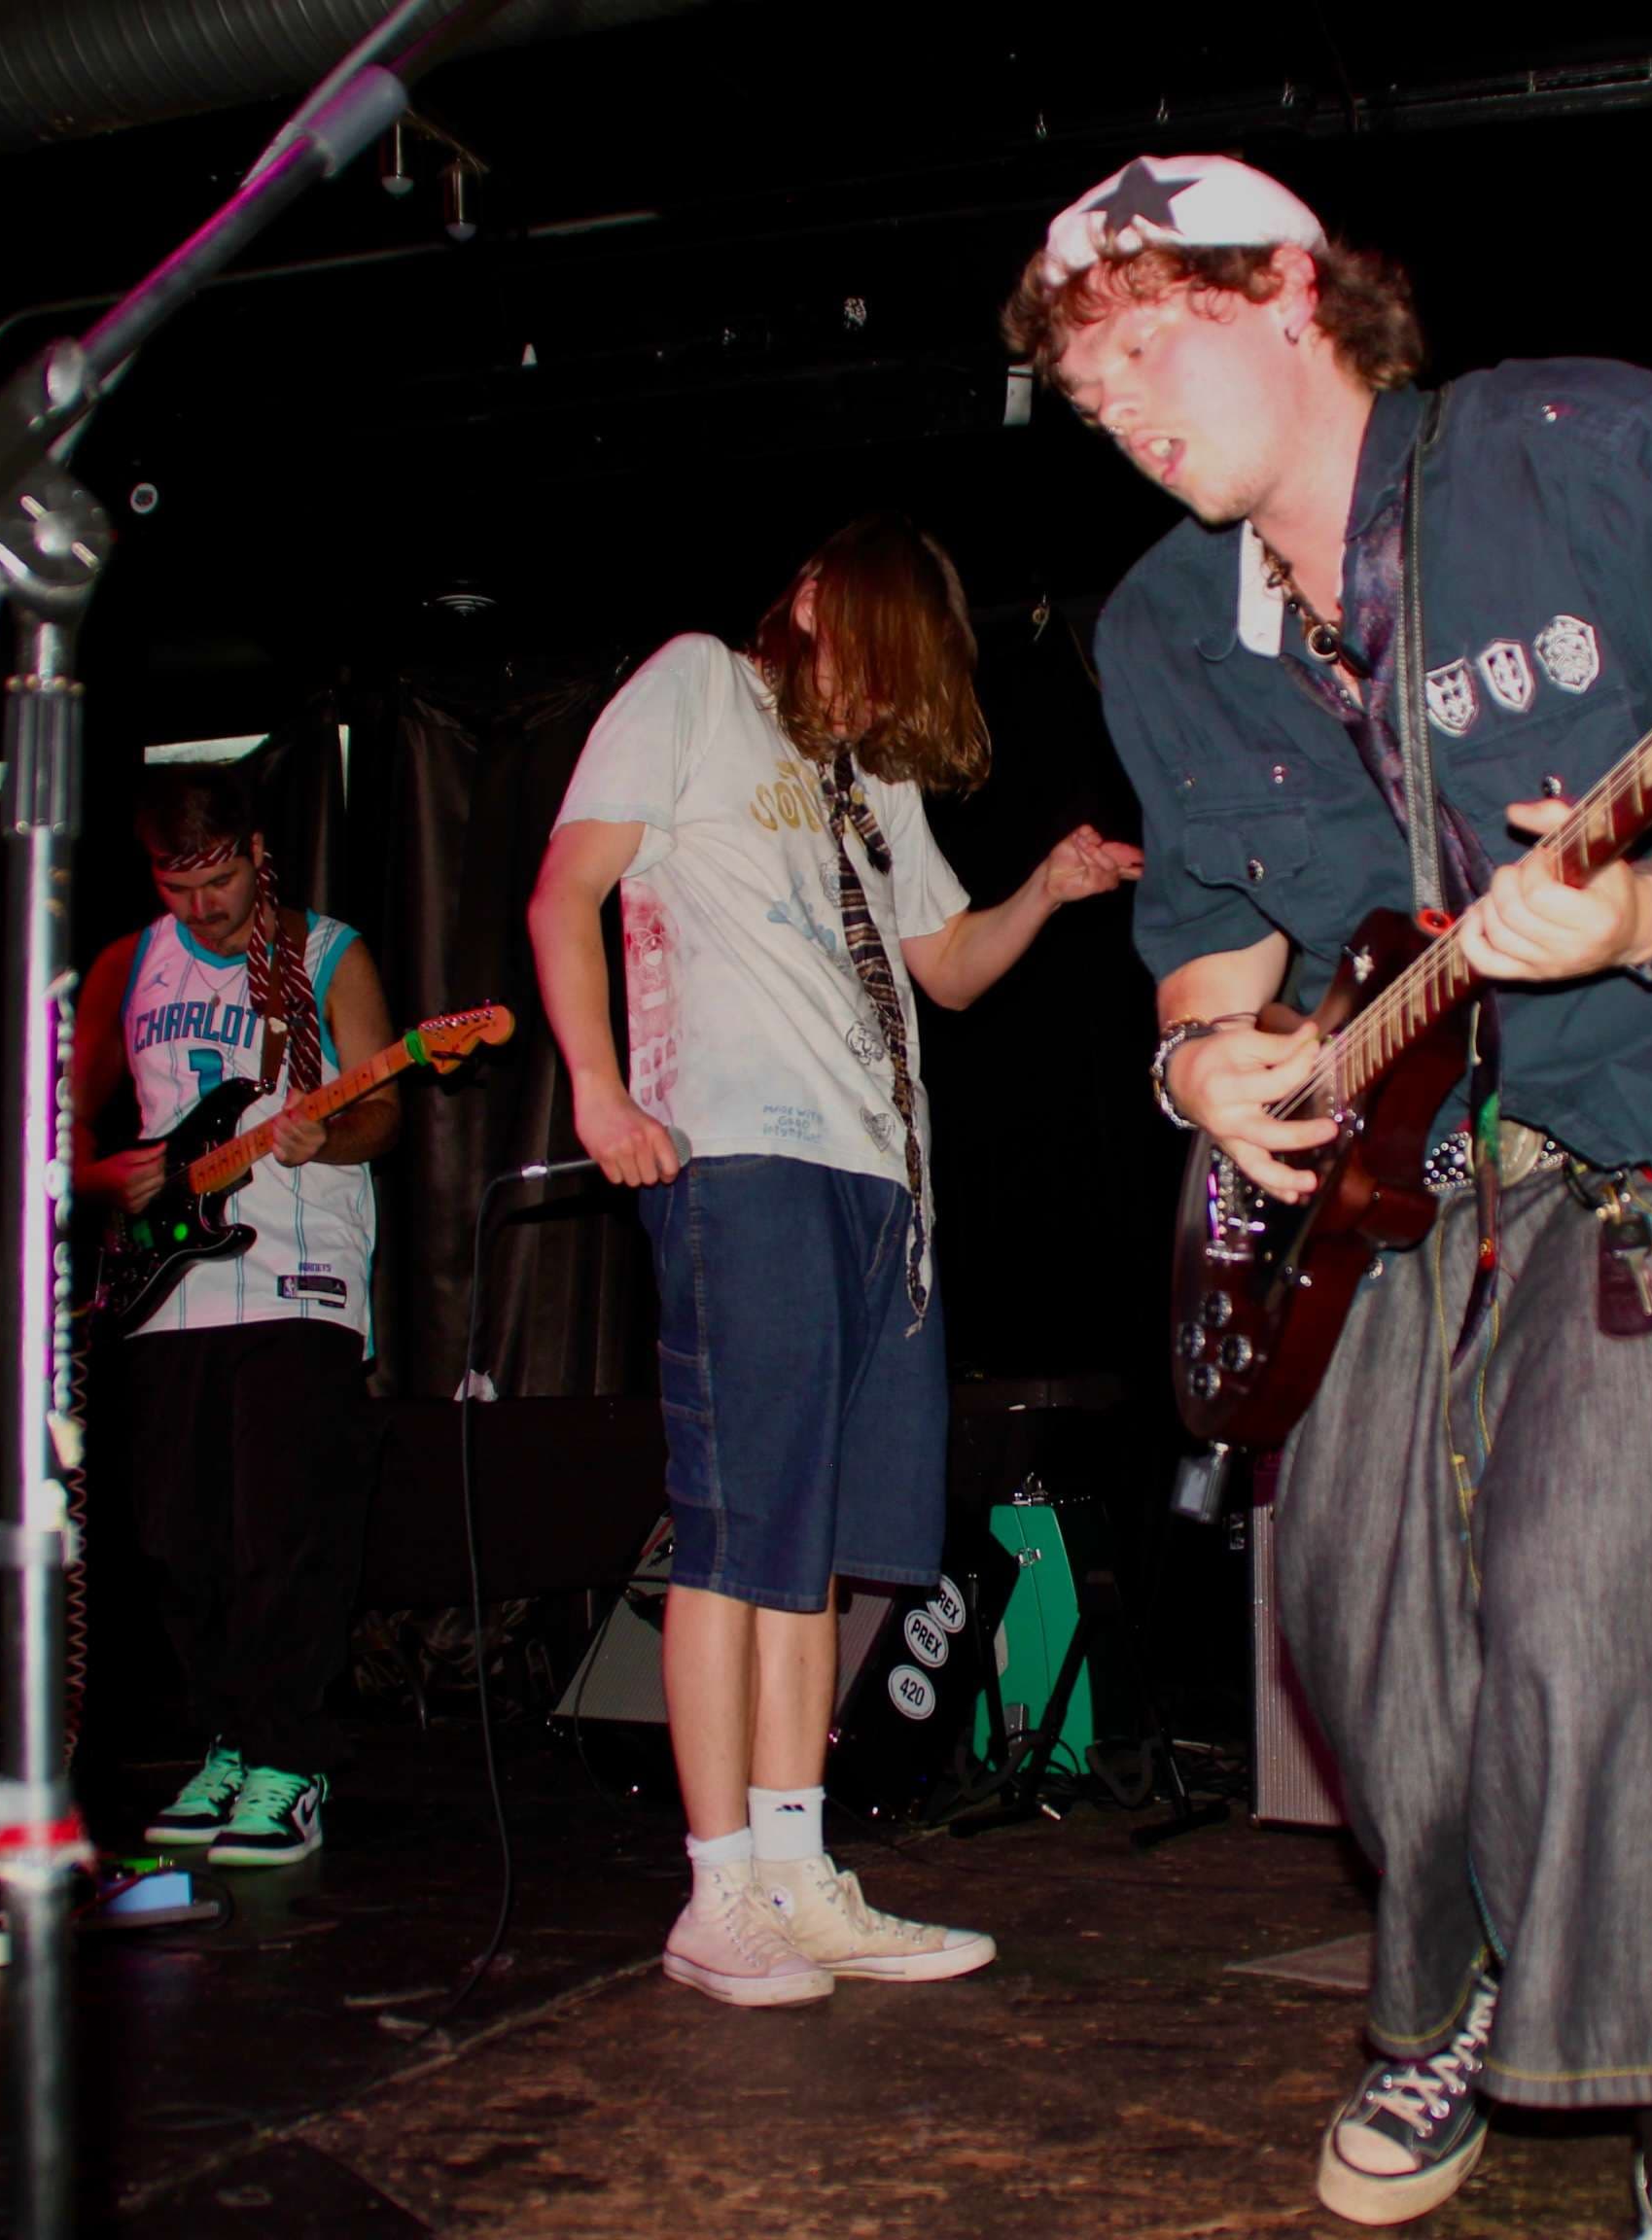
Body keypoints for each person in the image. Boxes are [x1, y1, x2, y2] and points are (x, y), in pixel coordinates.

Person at [1003, 157, 1652, 2238]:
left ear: (1292, 286)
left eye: (1151, 337)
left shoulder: (1593, 448)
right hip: (1380, 1186)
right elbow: (1217, 940)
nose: (1121, 400)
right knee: (1365, 1624)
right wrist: (1200, 1067)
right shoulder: (1159, 625)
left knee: (1627, 1566)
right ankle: (1449, 2003)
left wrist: (1648, 901)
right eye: (1085, 375)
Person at [525, 515, 1141, 2007]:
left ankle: (799, 1874)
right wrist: (603, 1095)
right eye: (870, 662)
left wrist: (1046, 893)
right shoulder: (694, 687)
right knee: (741, 1542)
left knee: (817, 1561)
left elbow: (943, 967)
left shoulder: (870, 785)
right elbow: (565, 892)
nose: (875, 702)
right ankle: (717, 1886)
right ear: (809, 601)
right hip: (741, 1157)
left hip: (883, 1183)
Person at [70, 764, 398, 1869]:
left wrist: (328, 1133)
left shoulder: (326, 953)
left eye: (216, 879)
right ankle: (229, 1738)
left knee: (284, 1523)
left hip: (302, 1271)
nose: (201, 908)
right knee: (178, 1535)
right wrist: (107, 1176)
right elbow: (61, 1127)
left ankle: (289, 1760)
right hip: (172, 1283)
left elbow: (384, 1109)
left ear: (257, 850)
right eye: (177, 887)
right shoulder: (133, 961)